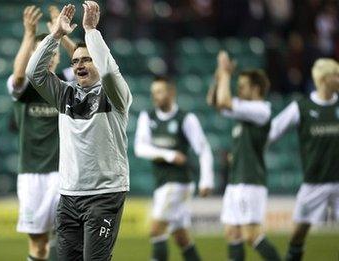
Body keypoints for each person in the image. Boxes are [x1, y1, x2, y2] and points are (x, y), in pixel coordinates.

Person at [26, 2, 132, 260]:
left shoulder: (114, 95)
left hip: (104, 195)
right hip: (69, 196)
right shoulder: (65, 94)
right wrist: (56, 35)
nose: (79, 65)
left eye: (86, 59)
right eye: (75, 61)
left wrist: (90, 31)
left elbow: (108, 70)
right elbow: (33, 73)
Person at [6, 5, 75, 261]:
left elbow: (86, 62)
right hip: (31, 174)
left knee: (66, 236)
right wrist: (29, 34)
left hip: (64, 172)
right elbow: (18, 75)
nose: (50, 56)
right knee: (38, 245)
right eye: (42, 52)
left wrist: (61, 34)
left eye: (53, 52)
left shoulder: (65, 83)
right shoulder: (23, 88)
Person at [207, 51, 281, 261]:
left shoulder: (261, 110)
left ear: (256, 89)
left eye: (242, 86)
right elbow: (214, 101)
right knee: (232, 232)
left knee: (252, 234)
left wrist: (226, 74)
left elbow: (223, 101)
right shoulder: (244, 112)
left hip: (250, 180)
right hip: (236, 180)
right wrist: (219, 76)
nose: (238, 89)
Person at [134, 76, 214, 261]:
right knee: (181, 237)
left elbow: (203, 149)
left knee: (156, 230)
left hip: (178, 182)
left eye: (160, 92)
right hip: (163, 182)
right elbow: (140, 148)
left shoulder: (186, 119)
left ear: (171, 93)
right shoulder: (148, 116)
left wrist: (206, 180)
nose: (156, 96)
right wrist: (170, 155)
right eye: (154, 93)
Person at [268, 58, 339, 261]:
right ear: (324, 79)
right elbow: (273, 130)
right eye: (336, 74)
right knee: (300, 230)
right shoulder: (302, 107)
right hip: (314, 182)